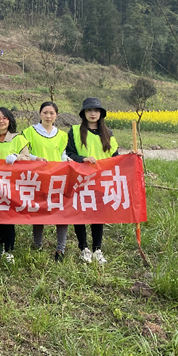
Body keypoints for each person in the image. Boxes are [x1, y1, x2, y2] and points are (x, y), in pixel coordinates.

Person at [66, 97, 118, 264]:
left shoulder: (108, 133)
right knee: (79, 214)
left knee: (98, 215)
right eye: (89, 110)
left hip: (100, 180)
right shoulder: (74, 131)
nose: (93, 113)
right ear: (84, 113)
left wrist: (131, 157)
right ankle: (84, 248)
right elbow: (69, 153)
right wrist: (82, 159)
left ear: (101, 113)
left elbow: (115, 156)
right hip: (80, 179)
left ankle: (97, 249)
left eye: (96, 110)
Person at [22, 102, 69, 261]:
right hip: (38, 178)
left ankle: (60, 249)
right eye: (45, 112)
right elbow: (23, 153)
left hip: (57, 178)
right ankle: (37, 245)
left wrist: (69, 162)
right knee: (39, 211)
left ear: (56, 115)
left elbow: (63, 155)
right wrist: (35, 158)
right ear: (40, 114)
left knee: (61, 213)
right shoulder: (29, 132)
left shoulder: (62, 135)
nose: (48, 116)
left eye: (51, 113)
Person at [0, 107, 30, 264]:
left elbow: (27, 157)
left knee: (7, 217)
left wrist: (17, 156)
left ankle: (8, 250)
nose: (1, 121)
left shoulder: (18, 138)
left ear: (10, 120)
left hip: (11, 184)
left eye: (4, 118)